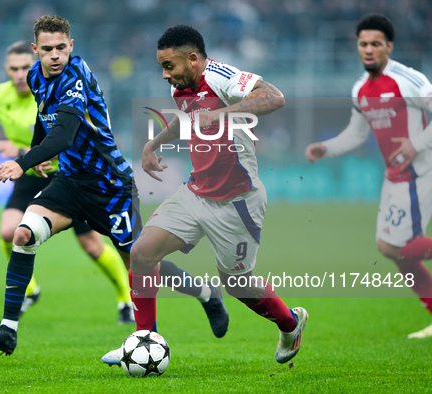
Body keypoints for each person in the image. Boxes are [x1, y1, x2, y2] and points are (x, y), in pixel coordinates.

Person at [0, 16, 227, 356]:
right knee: (23, 233)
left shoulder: (75, 78)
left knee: (140, 264)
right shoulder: (35, 76)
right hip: (70, 182)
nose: (55, 55)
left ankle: (203, 296)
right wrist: (37, 150)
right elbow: (43, 118)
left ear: (71, 46)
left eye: (61, 47)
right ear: (36, 50)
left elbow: (64, 133)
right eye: (47, 49)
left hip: (110, 185)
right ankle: (8, 330)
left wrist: (23, 161)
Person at [102, 24, 308, 366]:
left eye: (169, 66)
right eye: (161, 67)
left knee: (237, 283)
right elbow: (187, 119)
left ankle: (290, 323)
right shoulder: (180, 88)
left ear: (194, 59)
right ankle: (143, 340)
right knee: (141, 253)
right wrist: (155, 143)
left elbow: (275, 97)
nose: (165, 75)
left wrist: (222, 113)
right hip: (195, 193)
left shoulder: (221, 77)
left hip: (238, 201)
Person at [0, 40, 135, 323]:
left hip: (68, 173)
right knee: (12, 232)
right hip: (31, 172)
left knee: (98, 247)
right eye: (14, 68)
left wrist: (22, 155)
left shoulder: (68, 82)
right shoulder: (4, 94)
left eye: (24, 67)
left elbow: (63, 135)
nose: (20, 74)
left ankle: (126, 299)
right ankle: (27, 296)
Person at [305, 14, 432, 339]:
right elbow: (357, 133)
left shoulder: (407, 80)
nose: (369, 49)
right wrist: (327, 148)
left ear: (389, 46)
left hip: (421, 171)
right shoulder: (361, 88)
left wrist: (416, 144)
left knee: (396, 247)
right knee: (388, 247)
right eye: (363, 44)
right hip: (394, 176)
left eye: (376, 43)